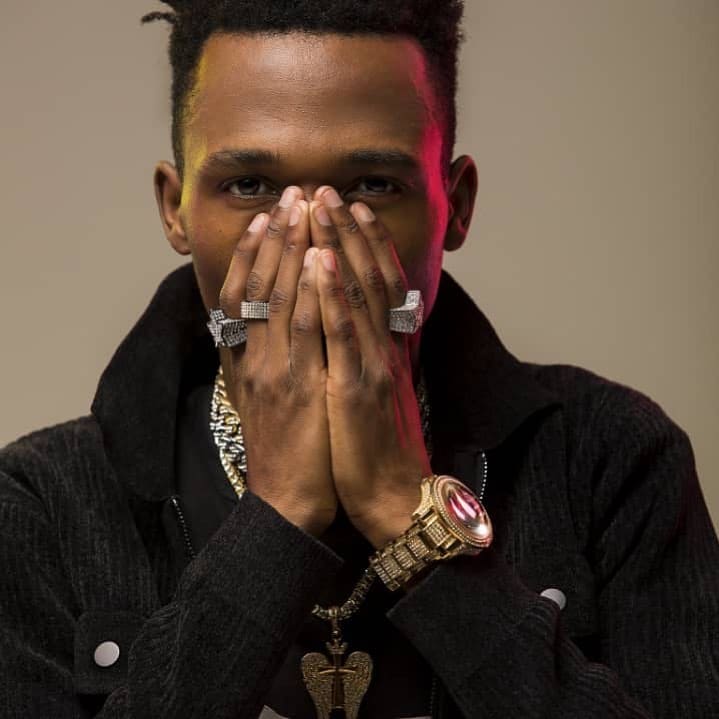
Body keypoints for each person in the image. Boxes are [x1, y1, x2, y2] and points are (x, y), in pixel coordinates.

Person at [0, 1, 717, 717]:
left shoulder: (611, 458)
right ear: (175, 208)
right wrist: (276, 514)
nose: (315, 239)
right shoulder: (41, 503)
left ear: (456, 204)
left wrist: (407, 510)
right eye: (249, 185)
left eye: (372, 184)